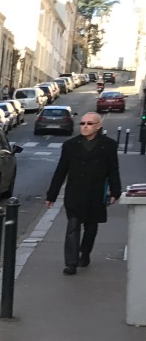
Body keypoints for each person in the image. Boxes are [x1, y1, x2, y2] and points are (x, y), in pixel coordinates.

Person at [46, 113, 122, 274]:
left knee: (91, 227)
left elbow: (113, 170)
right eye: (82, 123)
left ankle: (85, 253)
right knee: (73, 226)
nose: (85, 126)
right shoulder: (70, 145)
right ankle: (71, 263)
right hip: (75, 192)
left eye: (89, 123)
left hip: (96, 192)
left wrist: (116, 191)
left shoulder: (108, 145)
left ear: (98, 126)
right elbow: (61, 171)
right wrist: (51, 195)